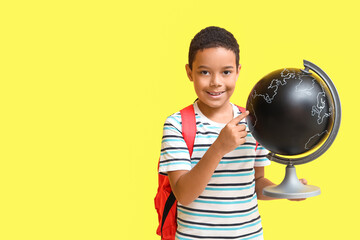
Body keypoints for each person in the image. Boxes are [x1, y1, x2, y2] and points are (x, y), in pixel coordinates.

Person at [159, 26, 306, 240]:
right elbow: (184, 194)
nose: (216, 82)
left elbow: (256, 183)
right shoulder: (177, 125)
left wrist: (283, 191)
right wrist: (219, 148)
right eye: (204, 72)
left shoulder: (254, 122)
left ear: (238, 71)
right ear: (189, 72)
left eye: (226, 72)